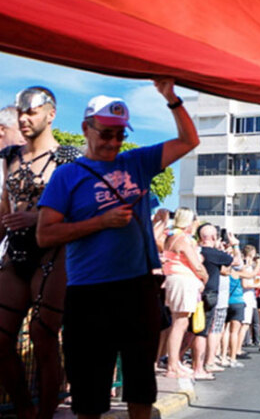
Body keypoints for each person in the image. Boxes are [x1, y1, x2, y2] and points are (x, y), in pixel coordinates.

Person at [37, 79, 198, 419]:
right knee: (89, 394)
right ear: (86, 128)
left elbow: (189, 141)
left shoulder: (136, 162)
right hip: (88, 293)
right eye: (106, 133)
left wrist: (171, 99)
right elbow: (45, 235)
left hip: (137, 288)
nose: (114, 142)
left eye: (120, 134)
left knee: (141, 387)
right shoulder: (66, 176)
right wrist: (100, 222)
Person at [0, 87, 80, 419]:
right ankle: (24, 411)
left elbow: (82, 212)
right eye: (21, 112)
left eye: (31, 111)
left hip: (53, 255)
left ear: (51, 114)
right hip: (15, 254)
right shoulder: (8, 158)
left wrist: (38, 217)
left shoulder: (71, 159)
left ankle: (45, 415)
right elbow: (4, 209)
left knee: (43, 338)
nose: (24, 118)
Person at [160, 207, 208, 378]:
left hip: (176, 279)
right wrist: (205, 277)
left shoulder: (172, 237)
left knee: (180, 322)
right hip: (183, 280)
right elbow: (196, 265)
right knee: (180, 323)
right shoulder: (181, 240)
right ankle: (172, 365)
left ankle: (174, 363)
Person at [192, 223, 233, 376]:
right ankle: (198, 368)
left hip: (194, 291)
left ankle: (183, 361)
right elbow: (235, 262)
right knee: (202, 331)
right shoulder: (213, 253)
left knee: (189, 330)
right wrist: (233, 246)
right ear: (214, 238)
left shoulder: (195, 251)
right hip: (209, 294)